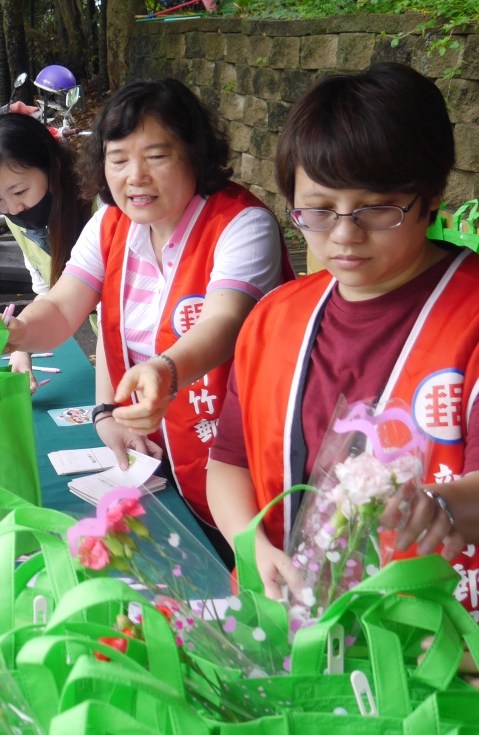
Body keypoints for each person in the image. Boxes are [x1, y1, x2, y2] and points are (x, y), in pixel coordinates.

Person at [205, 62, 478, 609]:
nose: (345, 235)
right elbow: (228, 462)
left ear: (428, 197)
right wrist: (252, 545)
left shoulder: (469, 320)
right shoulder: (274, 318)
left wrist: (439, 504)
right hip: (285, 617)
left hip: (434, 643)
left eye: (377, 209)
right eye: (321, 211)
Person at [0, 79, 289, 558]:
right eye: (119, 159)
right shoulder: (111, 220)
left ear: (195, 153)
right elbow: (63, 305)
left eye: (157, 156)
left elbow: (224, 323)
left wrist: (164, 371)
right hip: (162, 456)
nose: (135, 176)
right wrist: (20, 331)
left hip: (241, 463)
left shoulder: (241, 224)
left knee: (248, 573)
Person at [0, 112, 90, 390]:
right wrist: (22, 343)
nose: (12, 209)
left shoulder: (101, 211)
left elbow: (69, 301)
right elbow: (51, 296)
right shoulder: (18, 219)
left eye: (20, 191)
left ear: (50, 167)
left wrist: (24, 335)